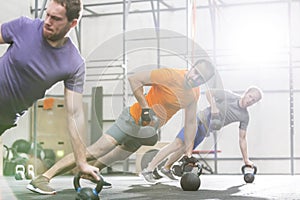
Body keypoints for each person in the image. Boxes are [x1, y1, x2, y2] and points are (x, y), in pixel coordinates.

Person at [27, 58, 216, 194]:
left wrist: (188, 152)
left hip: (146, 131)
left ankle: (90, 175)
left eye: (200, 79)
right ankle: (43, 178)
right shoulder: (169, 75)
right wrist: (145, 107)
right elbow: (134, 79)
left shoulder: (194, 94)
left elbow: (190, 122)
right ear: (191, 67)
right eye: (195, 73)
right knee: (96, 150)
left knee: (114, 156)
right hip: (132, 119)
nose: (195, 78)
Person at [0, 0, 100, 193]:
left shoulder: (74, 63)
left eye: (55, 18)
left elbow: (75, 114)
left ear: (72, 23)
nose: (47, 21)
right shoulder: (24, 26)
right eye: (47, 15)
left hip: (4, 118)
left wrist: (81, 162)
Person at [141, 86, 263, 183]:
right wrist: (214, 107)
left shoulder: (244, 116)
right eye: (250, 96)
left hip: (205, 131)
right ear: (246, 93)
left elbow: (242, 139)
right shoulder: (229, 95)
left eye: (253, 100)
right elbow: (209, 93)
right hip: (198, 120)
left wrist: (246, 160)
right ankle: (149, 169)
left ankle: (166, 168)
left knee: (184, 149)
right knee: (177, 144)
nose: (250, 101)